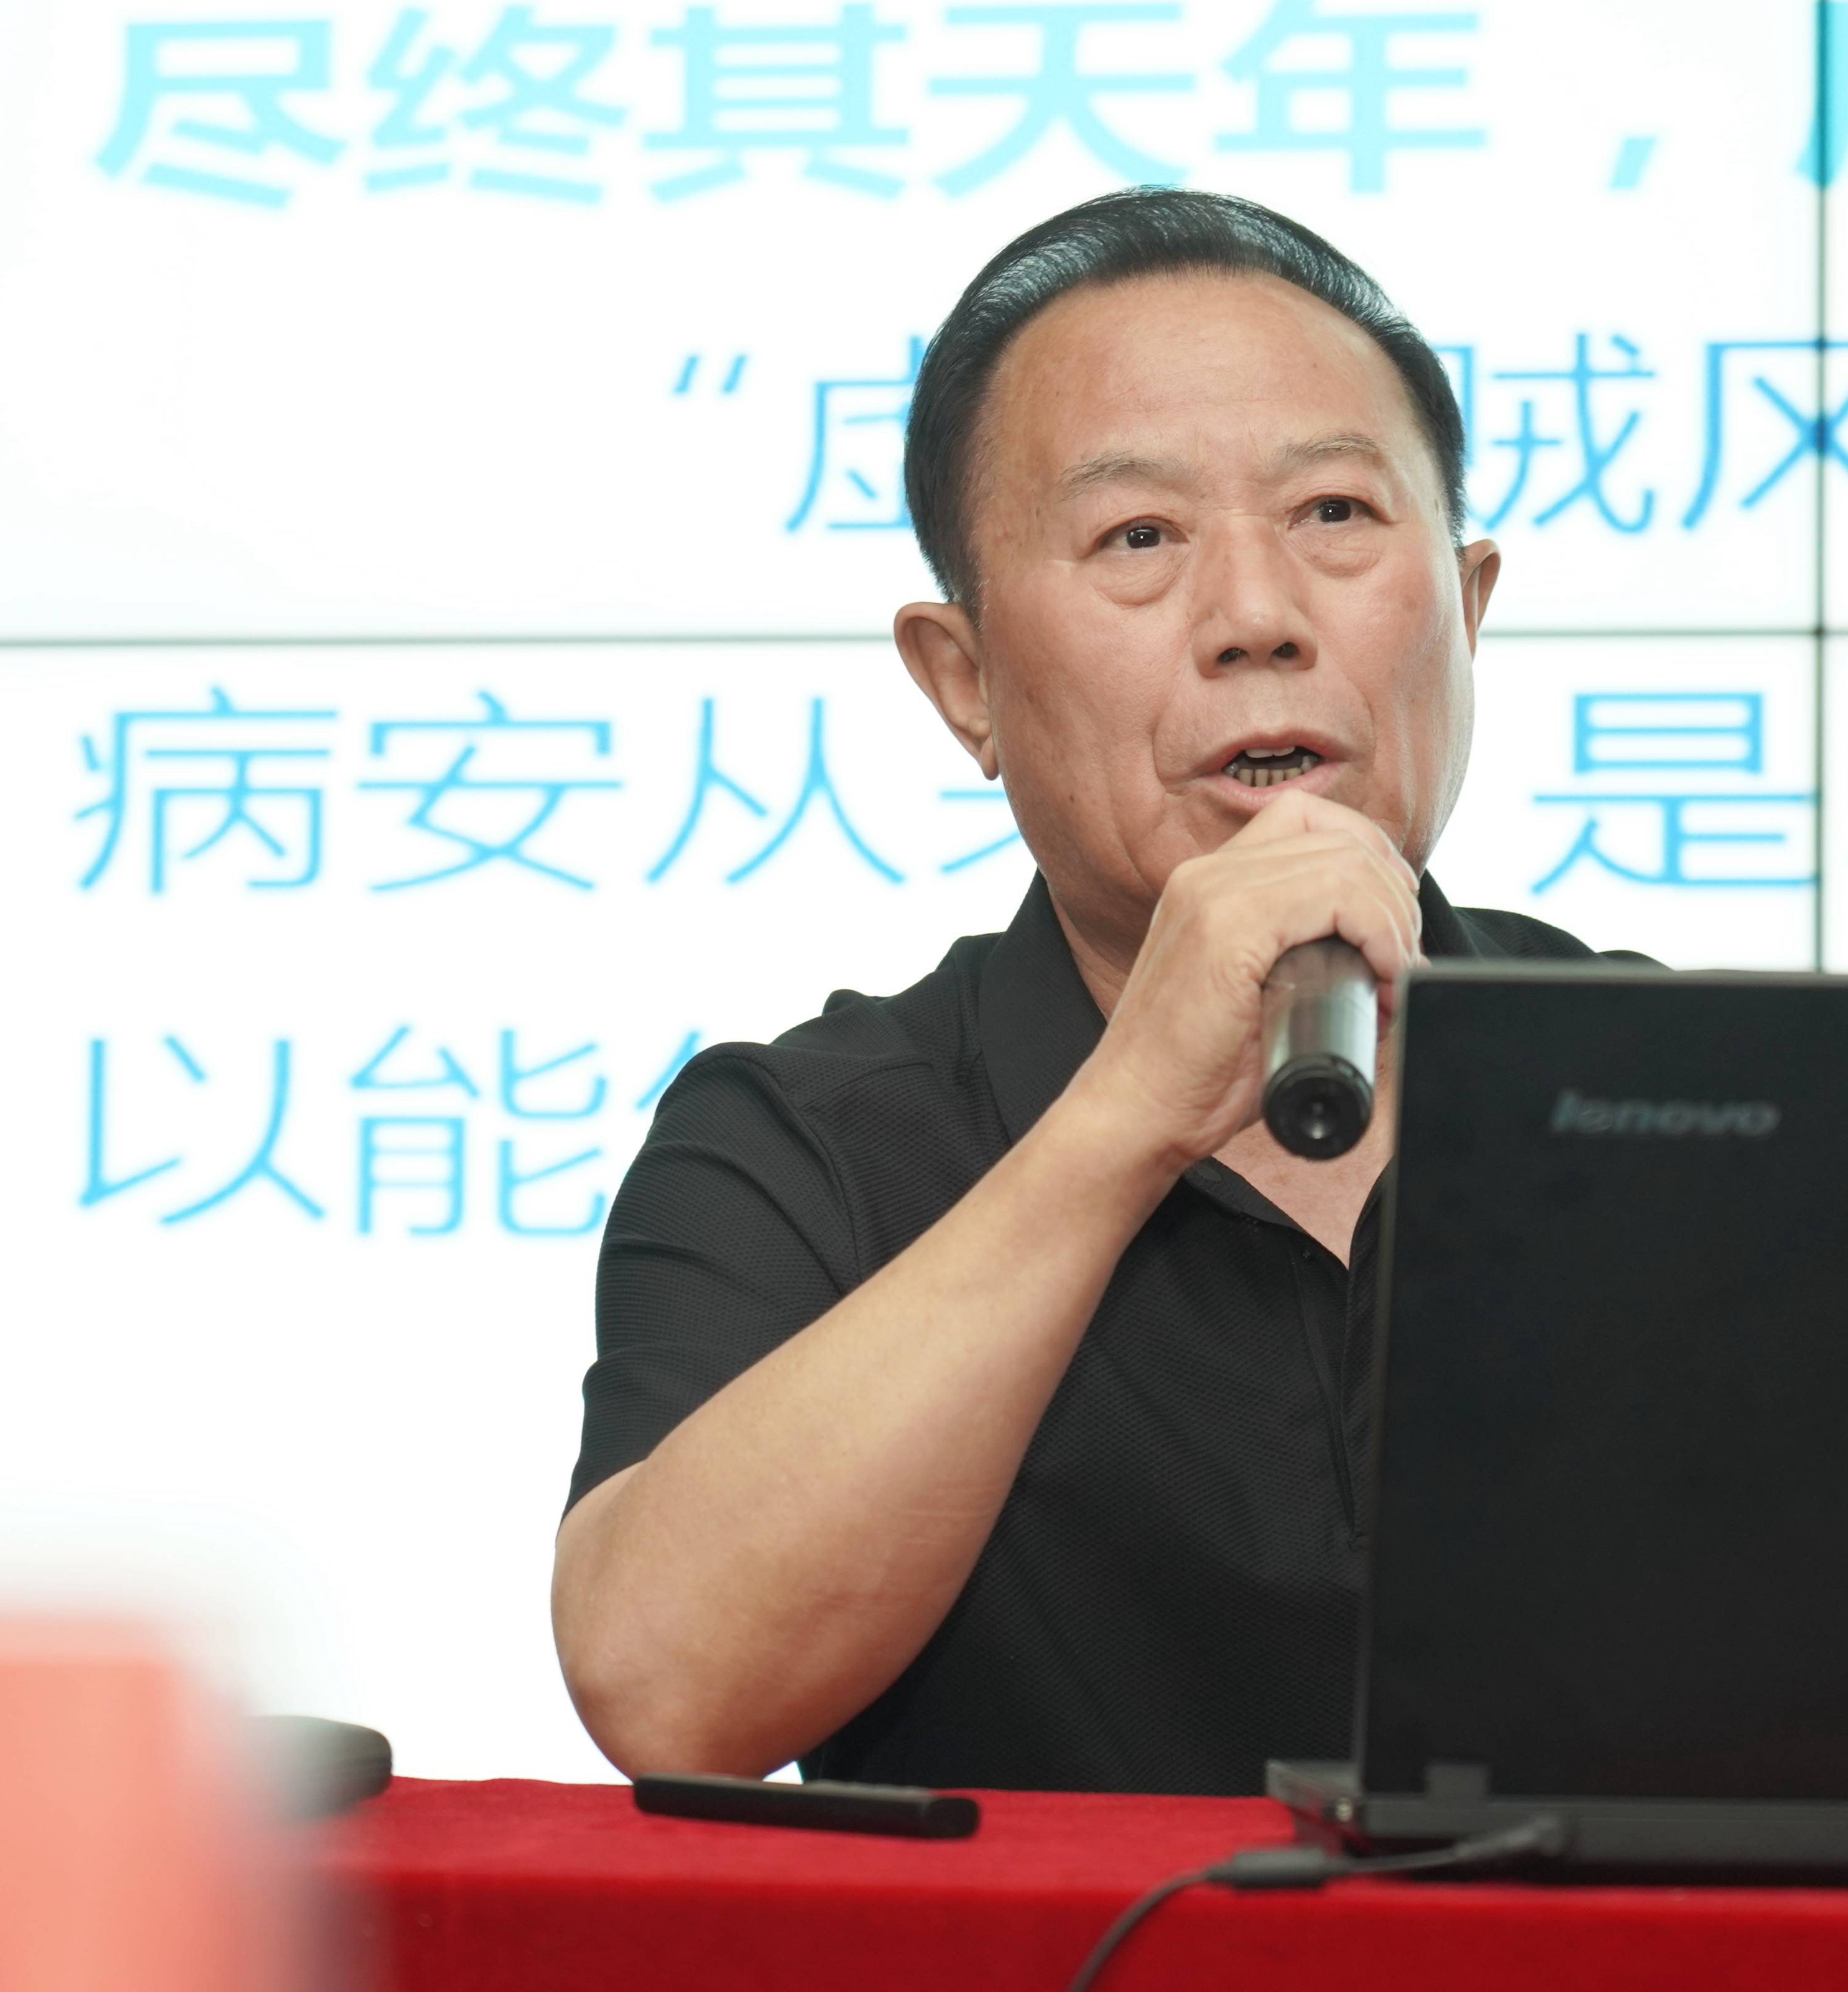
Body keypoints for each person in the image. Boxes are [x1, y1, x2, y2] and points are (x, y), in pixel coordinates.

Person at [549, 190, 1636, 1794]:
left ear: (1468, 610)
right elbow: (669, 1693)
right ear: (965, 681)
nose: (1258, 618)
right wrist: (1123, 1115)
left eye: (1335, 512)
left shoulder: (1693, 1089)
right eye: (1140, 538)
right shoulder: (810, 1148)